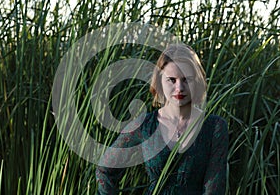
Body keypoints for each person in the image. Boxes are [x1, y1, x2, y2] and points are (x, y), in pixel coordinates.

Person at [96, 43, 229, 194]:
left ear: (197, 81)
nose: (179, 88)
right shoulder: (144, 126)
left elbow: (215, 189)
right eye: (172, 80)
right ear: (160, 81)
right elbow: (104, 169)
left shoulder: (214, 127)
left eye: (186, 80)